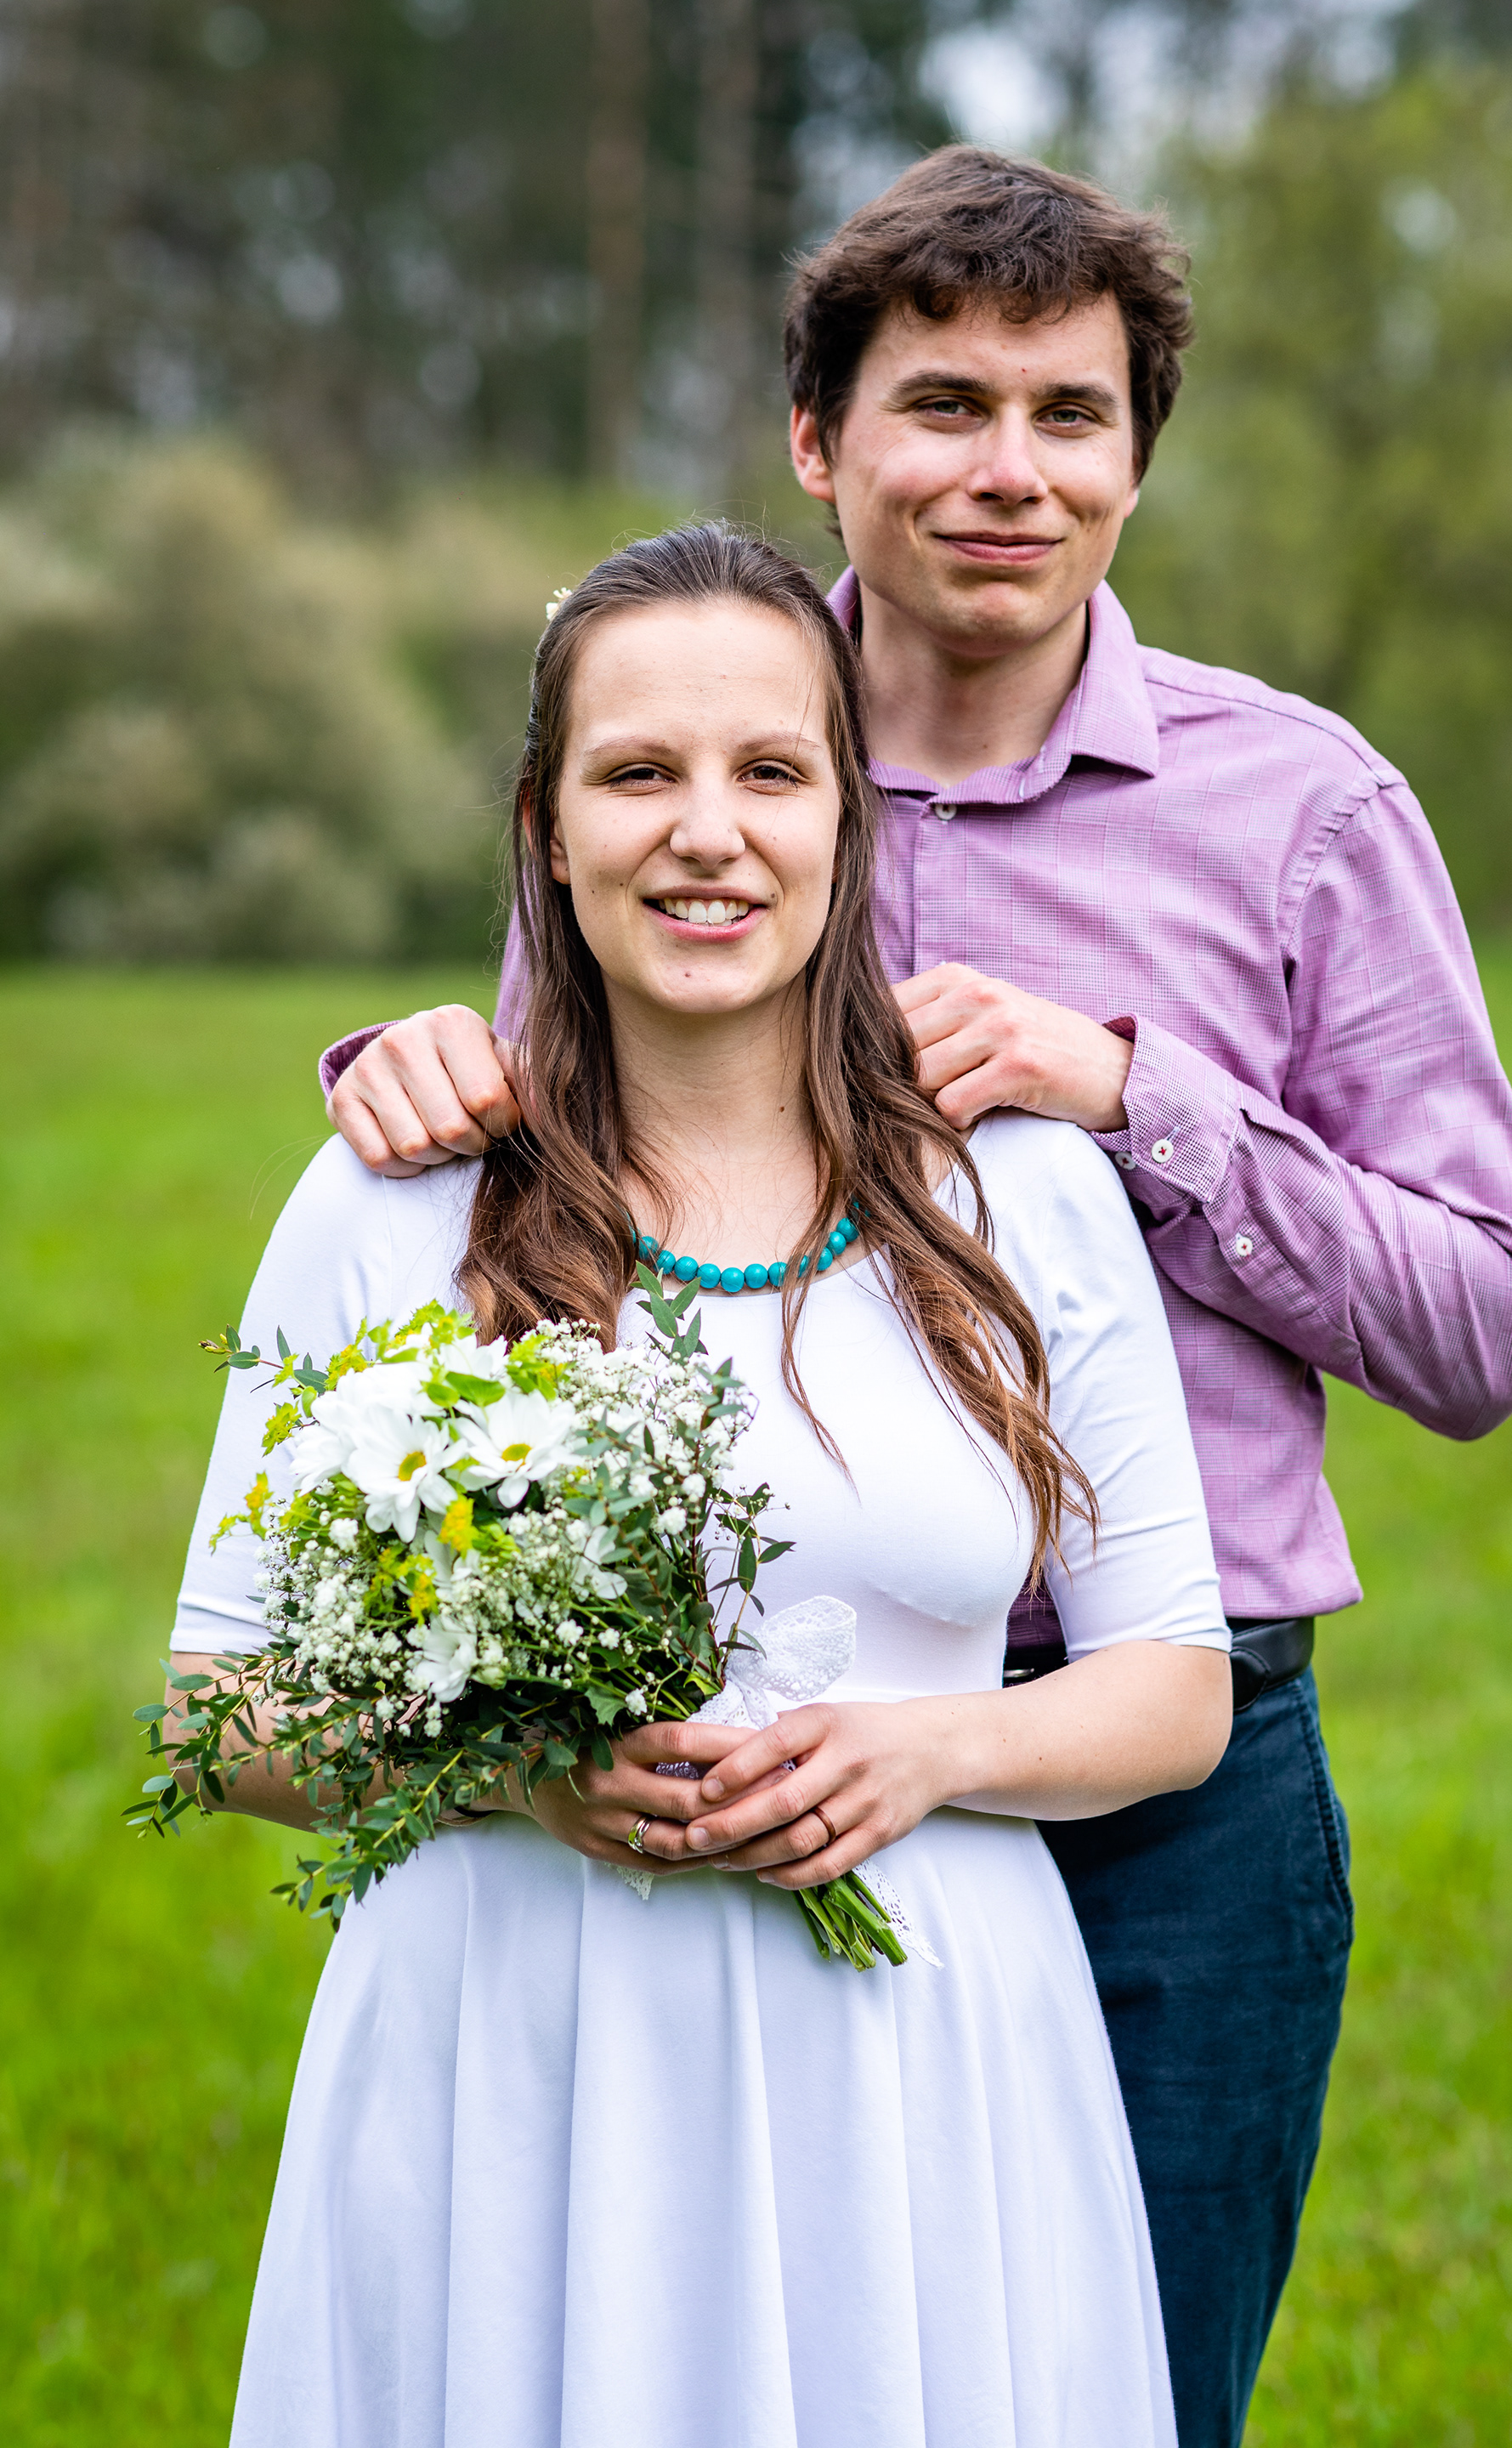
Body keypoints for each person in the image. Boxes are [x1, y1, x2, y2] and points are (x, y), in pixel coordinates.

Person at [317, 151, 1512, 2446]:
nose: (1011, 472)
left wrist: (1139, 1101)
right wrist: (406, 1079)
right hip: (750, 1768)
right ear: (820, 438)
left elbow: (1483, 1331)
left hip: (1172, 1793)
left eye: (1072, 415)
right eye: (946, 405)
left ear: (1139, 456)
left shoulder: (1305, 813)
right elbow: (545, 1172)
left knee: (1119, 2401)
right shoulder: (693, 761)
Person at [172, 525, 1235, 2448]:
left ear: (848, 821)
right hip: (519, 2042)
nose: (707, 834)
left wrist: (931, 1753)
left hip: (919, 2052)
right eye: (638, 773)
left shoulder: (1024, 1192)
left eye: (769, 772)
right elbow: (216, 1704)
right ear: (547, 828)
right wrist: (513, 1773)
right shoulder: (396, 1202)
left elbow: (1175, 1686)